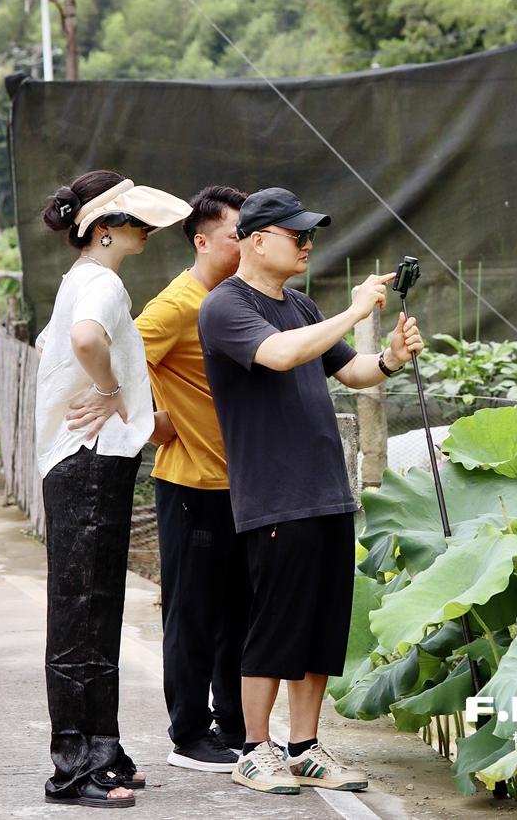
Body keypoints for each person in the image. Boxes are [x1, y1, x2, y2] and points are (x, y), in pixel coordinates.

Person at [198, 186, 424, 796]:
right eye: (297, 235)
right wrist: (353, 313)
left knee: (322, 628)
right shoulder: (224, 308)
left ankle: (305, 747)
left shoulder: (298, 305)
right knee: (274, 625)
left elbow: (352, 371)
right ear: (257, 240)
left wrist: (392, 358)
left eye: (309, 235)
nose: (307, 244)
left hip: (327, 490)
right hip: (275, 495)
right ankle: (254, 748)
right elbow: (276, 356)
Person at [36, 170, 191, 808]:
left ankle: (104, 752)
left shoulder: (82, 280)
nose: (146, 230)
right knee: (82, 615)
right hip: (87, 461)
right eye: (134, 221)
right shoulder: (101, 282)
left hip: (91, 460)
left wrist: (128, 408)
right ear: (103, 230)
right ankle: (73, 767)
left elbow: (62, 347)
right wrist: (106, 391)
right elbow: (81, 341)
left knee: (98, 611)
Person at [134, 185, 251, 773]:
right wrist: (147, 420)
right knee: (192, 614)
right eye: (238, 234)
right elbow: (112, 352)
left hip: (243, 486)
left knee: (239, 613)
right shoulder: (177, 305)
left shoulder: (242, 301)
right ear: (203, 241)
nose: (249, 242)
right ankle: (188, 732)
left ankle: (235, 725)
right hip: (190, 488)